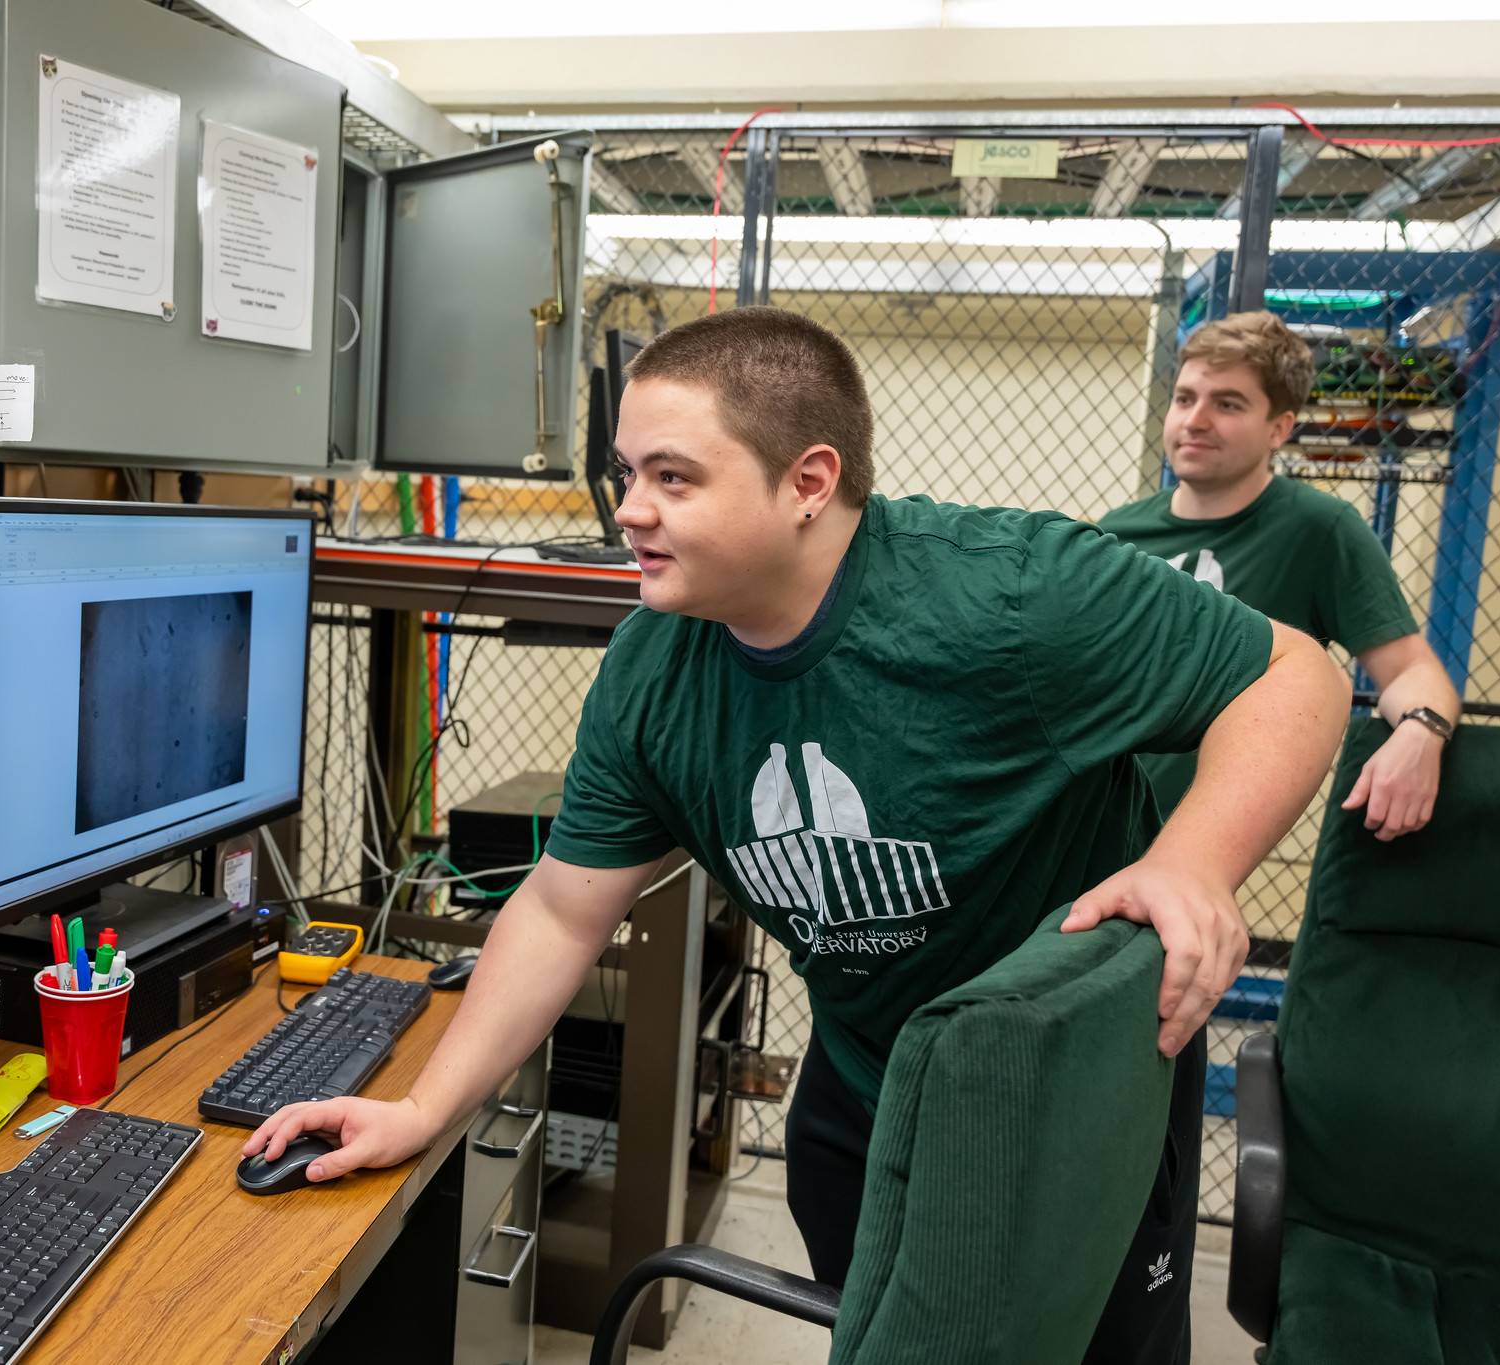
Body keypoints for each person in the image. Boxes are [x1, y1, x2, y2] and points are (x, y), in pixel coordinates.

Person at [246, 308, 1349, 1362]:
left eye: (672, 477)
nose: (628, 508)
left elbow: (1294, 676)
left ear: (807, 484)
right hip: (869, 1081)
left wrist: (1191, 862)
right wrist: (423, 1109)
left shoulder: (1009, 594)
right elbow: (559, 904)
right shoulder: (652, 672)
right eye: (627, 473)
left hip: (1068, 1098)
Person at [1099, 311, 1460, 841]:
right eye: (1185, 398)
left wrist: (1421, 732)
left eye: (1227, 404)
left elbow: (1409, 670)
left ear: (1280, 427)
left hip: (1205, 837)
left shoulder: (1319, 529)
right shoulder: (1116, 534)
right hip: (1095, 814)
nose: (1195, 420)